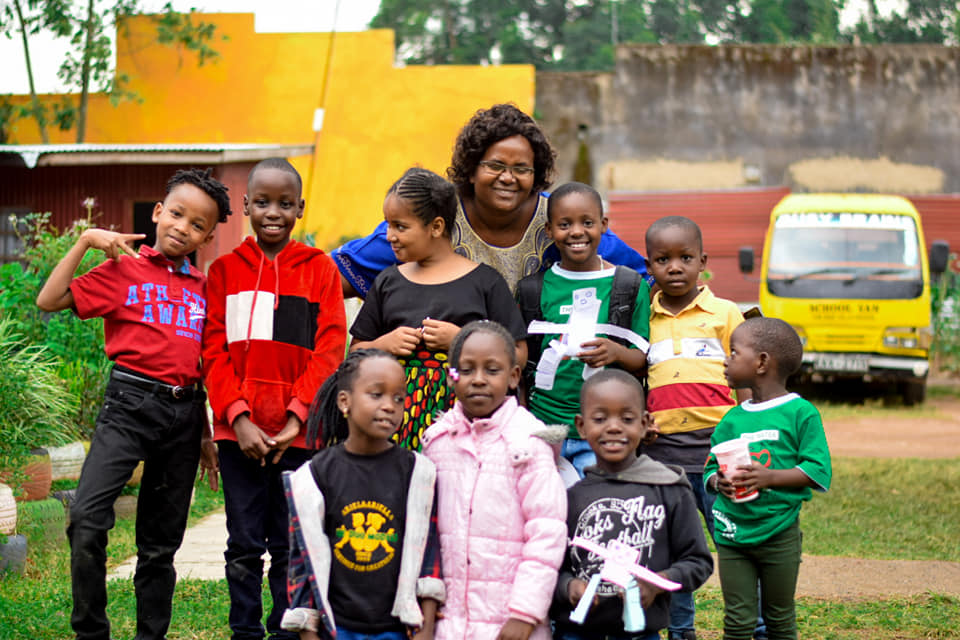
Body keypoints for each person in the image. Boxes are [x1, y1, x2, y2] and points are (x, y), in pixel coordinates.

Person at [36, 168, 231, 640]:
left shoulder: (204, 290)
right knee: (86, 518)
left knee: (160, 545)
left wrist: (205, 433)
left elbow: (200, 364)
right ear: (158, 213)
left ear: (207, 237)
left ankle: (150, 635)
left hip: (184, 417)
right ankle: (91, 632)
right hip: (128, 405)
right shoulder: (123, 270)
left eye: (198, 225)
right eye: (177, 214)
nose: (183, 228)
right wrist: (86, 241)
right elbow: (49, 299)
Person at [202, 158, 347, 640]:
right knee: (243, 542)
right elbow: (213, 352)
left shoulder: (320, 270)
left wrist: (297, 417)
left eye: (285, 204)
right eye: (262, 202)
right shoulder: (223, 271)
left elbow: (330, 351)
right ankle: (244, 630)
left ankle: (286, 630)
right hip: (238, 436)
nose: (273, 213)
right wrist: (238, 418)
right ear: (245, 206)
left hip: (298, 438)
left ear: (300, 208)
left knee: (290, 542)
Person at [332, 103, 647, 298]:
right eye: (495, 166)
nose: (508, 178)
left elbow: (646, 278)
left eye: (521, 169)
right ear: (471, 169)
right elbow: (336, 276)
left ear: (536, 174)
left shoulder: (559, 220)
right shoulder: (437, 215)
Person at [349, 167, 527, 450]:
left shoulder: (485, 282)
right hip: (393, 427)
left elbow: (519, 354)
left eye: (400, 226)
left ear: (436, 227)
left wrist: (461, 341)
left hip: (467, 426)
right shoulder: (388, 282)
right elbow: (355, 353)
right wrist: (384, 345)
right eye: (388, 225)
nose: (390, 235)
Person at [280, 349, 444, 640]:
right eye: (376, 395)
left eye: (398, 398)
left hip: (396, 630)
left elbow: (428, 551)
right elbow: (303, 560)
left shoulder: (417, 473)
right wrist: (307, 630)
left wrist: (426, 625)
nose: (389, 406)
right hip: (337, 629)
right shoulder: (315, 476)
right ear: (345, 401)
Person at [421, 321, 567, 640]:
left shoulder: (529, 443)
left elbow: (546, 532)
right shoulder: (437, 442)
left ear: (513, 377)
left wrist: (525, 613)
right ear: (451, 377)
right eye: (466, 370)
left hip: (510, 625)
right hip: (448, 624)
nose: (478, 379)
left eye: (492, 370)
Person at [641, 216, 749, 640]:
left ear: (703, 262)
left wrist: (747, 429)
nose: (674, 267)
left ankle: (751, 624)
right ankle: (681, 629)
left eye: (685, 258)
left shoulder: (725, 313)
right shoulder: (643, 317)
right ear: (649, 265)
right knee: (673, 549)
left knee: (733, 540)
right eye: (662, 259)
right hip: (663, 456)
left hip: (719, 452)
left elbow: (745, 376)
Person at [551, 369, 714, 640]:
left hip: (641, 633)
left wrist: (657, 582)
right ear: (581, 426)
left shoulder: (669, 489)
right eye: (600, 418)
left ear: (645, 423)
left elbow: (697, 562)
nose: (614, 427)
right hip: (576, 633)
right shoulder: (570, 496)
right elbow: (552, 566)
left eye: (627, 419)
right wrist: (568, 587)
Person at [705, 318, 832, 640]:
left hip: (779, 534)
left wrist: (769, 477)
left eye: (734, 352)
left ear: (761, 362)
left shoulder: (800, 413)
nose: (726, 360)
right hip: (732, 534)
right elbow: (710, 467)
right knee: (737, 621)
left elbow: (817, 470)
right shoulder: (732, 419)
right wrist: (718, 481)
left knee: (779, 618)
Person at [516, 181, 650, 477]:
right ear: (549, 230)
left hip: (603, 433)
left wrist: (616, 353)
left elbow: (643, 362)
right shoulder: (532, 290)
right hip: (544, 428)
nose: (576, 232)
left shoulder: (628, 286)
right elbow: (522, 365)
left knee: (596, 501)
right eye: (564, 224)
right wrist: (524, 420)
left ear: (603, 225)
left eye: (587, 223)